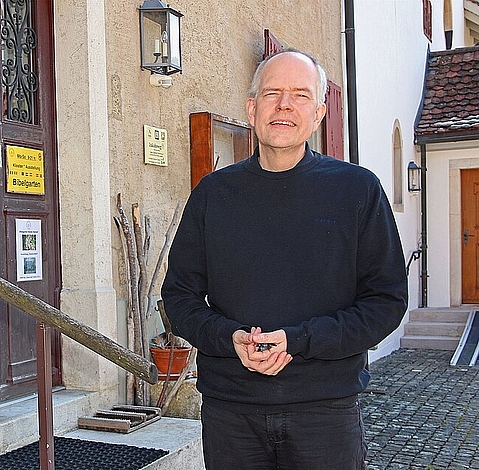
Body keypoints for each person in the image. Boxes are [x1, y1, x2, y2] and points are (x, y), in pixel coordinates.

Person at [161, 49, 408, 469]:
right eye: (272, 93)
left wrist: (300, 340)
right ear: (252, 108)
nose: (284, 106)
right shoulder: (213, 195)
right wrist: (229, 338)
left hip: (325, 412)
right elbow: (179, 296)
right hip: (231, 412)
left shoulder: (357, 191)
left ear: (319, 113)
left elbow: (385, 302)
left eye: (300, 95)